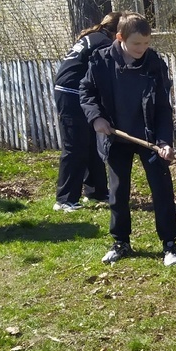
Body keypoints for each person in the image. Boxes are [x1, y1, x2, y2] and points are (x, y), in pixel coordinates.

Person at [79, 13, 176, 266]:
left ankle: (169, 245)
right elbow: (86, 92)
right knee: (118, 191)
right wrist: (96, 119)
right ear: (120, 38)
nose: (142, 49)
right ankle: (120, 242)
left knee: (162, 190)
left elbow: (162, 108)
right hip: (116, 136)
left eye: (146, 43)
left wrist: (165, 141)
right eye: (137, 43)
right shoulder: (100, 61)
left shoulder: (154, 63)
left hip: (149, 138)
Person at [52, 12, 121, 211]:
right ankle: (64, 199)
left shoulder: (95, 37)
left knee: (91, 142)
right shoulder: (103, 44)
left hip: (74, 91)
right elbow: (105, 77)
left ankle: (96, 191)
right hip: (72, 93)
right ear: (117, 32)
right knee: (75, 145)